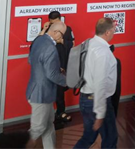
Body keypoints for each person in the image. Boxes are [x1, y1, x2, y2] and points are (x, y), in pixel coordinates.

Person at [73, 18, 118, 149]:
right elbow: (100, 83)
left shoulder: (87, 43)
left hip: (85, 98)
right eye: (114, 30)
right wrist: (100, 113)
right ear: (108, 32)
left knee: (88, 137)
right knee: (110, 138)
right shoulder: (103, 52)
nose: (114, 33)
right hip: (97, 101)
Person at [26, 21, 67, 149]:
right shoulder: (50, 48)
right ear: (56, 32)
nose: (62, 38)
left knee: (48, 125)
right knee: (38, 128)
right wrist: (68, 81)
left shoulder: (39, 40)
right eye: (62, 34)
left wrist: (54, 68)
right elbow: (52, 75)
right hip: (41, 94)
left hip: (40, 91)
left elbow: (31, 60)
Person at [39, 11, 75, 124]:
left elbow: (73, 44)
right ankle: (44, 114)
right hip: (48, 64)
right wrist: (44, 29)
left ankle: (60, 112)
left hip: (61, 64)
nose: (53, 25)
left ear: (60, 20)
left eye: (55, 22)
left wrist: (62, 41)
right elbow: (38, 43)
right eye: (51, 23)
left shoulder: (67, 29)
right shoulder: (47, 29)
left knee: (60, 90)